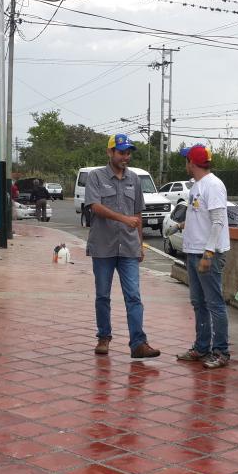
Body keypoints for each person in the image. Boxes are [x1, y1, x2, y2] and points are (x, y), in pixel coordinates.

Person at [86, 134, 160, 358]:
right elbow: (95, 206)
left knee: (134, 296)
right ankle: (104, 337)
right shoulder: (96, 176)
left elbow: (138, 214)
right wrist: (123, 219)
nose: (125, 157)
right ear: (110, 152)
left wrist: (140, 244)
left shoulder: (134, 179)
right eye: (121, 152)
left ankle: (138, 343)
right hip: (103, 246)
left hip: (128, 246)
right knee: (102, 295)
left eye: (128, 153)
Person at [174, 144, 232, 369]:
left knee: (214, 303)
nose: (185, 164)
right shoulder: (197, 186)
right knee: (198, 302)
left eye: (186, 160)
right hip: (193, 252)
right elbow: (202, 218)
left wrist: (209, 253)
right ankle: (201, 347)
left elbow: (218, 221)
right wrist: (182, 225)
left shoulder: (213, 185)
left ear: (191, 162)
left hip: (208, 254)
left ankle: (221, 351)